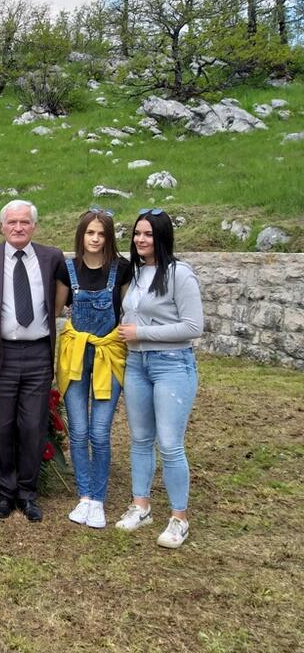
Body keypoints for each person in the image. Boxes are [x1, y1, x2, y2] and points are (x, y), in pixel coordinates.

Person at [0, 200, 68, 522]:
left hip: (39, 352)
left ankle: (27, 493)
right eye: (12, 222)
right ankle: (5, 491)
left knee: (32, 426)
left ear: (34, 226)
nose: (18, 227)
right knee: (1, 425)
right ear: (2, 226)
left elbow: (62, 298)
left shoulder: (52, 257)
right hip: (3, 353)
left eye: (24, 222)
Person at [115, 208, 203, 549]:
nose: (140, 239)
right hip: (136, 364)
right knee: (139, 439)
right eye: (137, 233)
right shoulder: (136, 273)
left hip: (172, 365)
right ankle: (141, 506)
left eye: (148, 234)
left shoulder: (180, 274)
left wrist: (143, 332)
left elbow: (193, 326)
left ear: (162, 237)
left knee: (169, 443)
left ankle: (179, 518)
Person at [55, 208, 129, 529]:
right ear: (81, 235)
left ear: (109, 236)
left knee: (99, 432)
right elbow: (57, 309)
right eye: (90, 233)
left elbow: (128, 313)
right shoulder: (67, 268)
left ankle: (98, 499)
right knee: (79, 430)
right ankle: (83, 496)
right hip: (75, 356)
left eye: (101, 233)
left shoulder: (122, 269)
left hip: (107, 357)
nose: (96, 239)